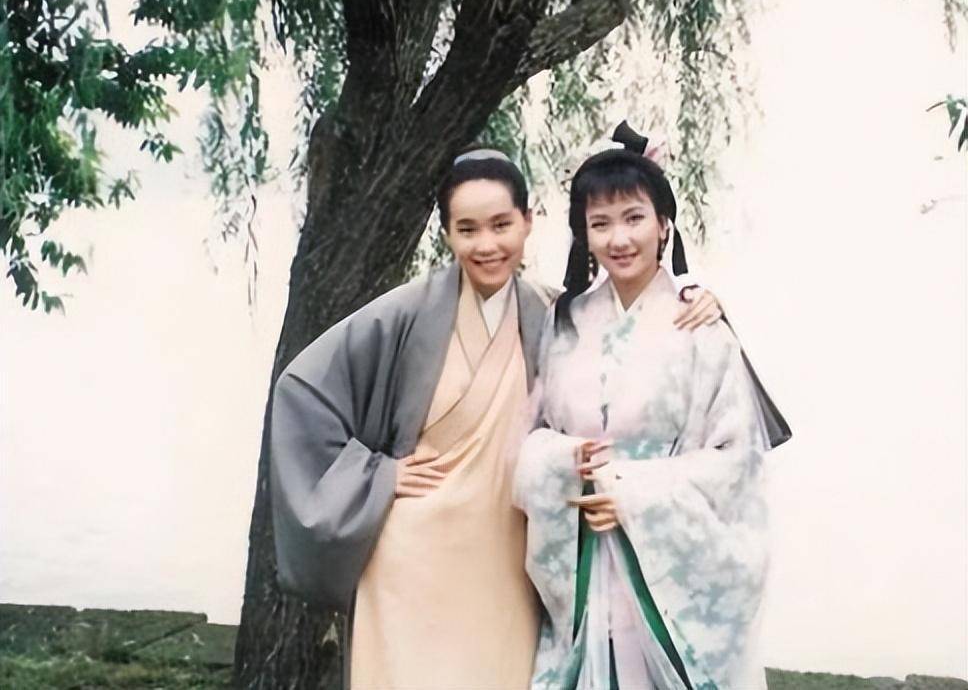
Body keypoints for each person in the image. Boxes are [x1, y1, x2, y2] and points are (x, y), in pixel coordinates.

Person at [269, 147, 726, 690]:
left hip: (508, 557)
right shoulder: (406, 311)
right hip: (410, 556)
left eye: (501, 225)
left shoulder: (556, 314)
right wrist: (377, 474)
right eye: (467, 229)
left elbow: (632, 331)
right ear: (446, 233)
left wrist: (696, 297)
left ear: (528, 222)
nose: (486, 245)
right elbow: (301, 393)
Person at [513, 125, 790, 689]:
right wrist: (564, 461)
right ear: (583, 234)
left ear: (664, 224)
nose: (619, 238)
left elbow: (737, 462)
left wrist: (631, 492)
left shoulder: (702, 327)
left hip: (666, 566)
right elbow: (531, 436)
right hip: (584, 554)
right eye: (600, 223)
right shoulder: (563, 325)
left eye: (634, 217)